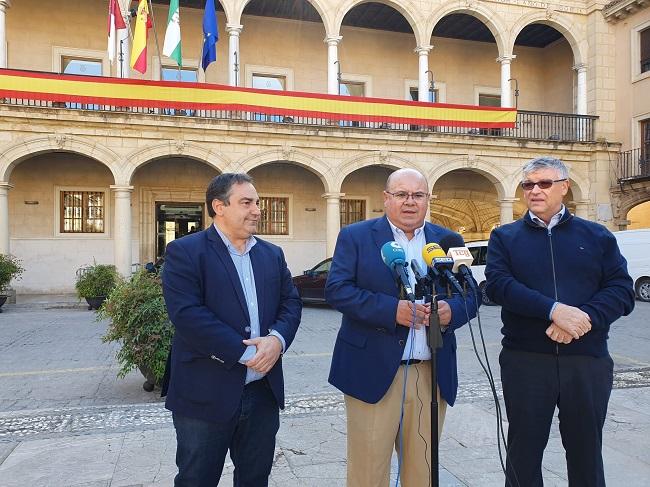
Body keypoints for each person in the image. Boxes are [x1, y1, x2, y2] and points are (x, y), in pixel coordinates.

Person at [485, 156, 635, 487]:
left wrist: (583, 318)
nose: (534, 190)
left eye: (544, 183)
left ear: (564, 187)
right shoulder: (505, 237)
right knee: (523, 452)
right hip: (526, 361)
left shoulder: (597, 236)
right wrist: (554, 310)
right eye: (528, 184)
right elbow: (499, 285)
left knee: (586, 451)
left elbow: (621, 289)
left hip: (586, 360)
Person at [325, 168, 479, 487]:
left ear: (428, 200)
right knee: (368, 473)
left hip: (430, 372)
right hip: (372, 370)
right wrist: (391, 310)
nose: (410, 202)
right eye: (401, 195)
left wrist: (454, 311)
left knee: (422, 473)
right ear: (386, 198)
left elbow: (471, 293)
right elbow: (337, 290)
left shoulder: (448, 240)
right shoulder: (355, 236)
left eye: (418, 195)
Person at [161, 173, 302, 487]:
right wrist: (250, 352)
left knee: (255, 479)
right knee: (196, 479)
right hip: (204, 393)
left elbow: (290, 303)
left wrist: (276, 341)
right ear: (219, 206)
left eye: (257, 203)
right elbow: (188, 315)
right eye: (246, 203)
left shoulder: (271, 254)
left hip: (261, 394)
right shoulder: (186, 252)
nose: (257, 210)